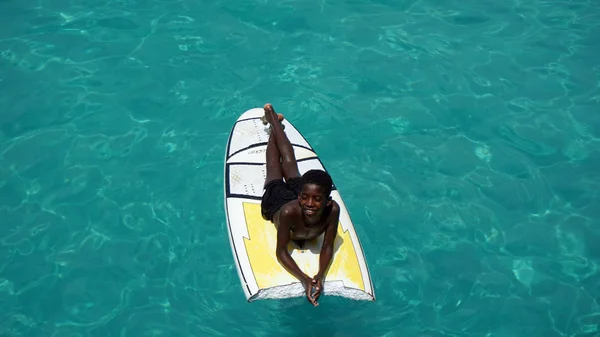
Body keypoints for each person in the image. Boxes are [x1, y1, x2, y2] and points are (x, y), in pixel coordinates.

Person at [260, 103, 340, 307]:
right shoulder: (288, 212)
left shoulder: (332, 211)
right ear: (301, 194)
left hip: (297, 197)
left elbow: (328, 245)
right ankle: (272, 121)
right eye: (306, 197)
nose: (310, 204)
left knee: (290, 164)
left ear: (328, 201)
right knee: (277, 167)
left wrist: (320, 276)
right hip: (278, 203)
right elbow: (281, 252)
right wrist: (305, 279)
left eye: (317, 199)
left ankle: (275, 122)